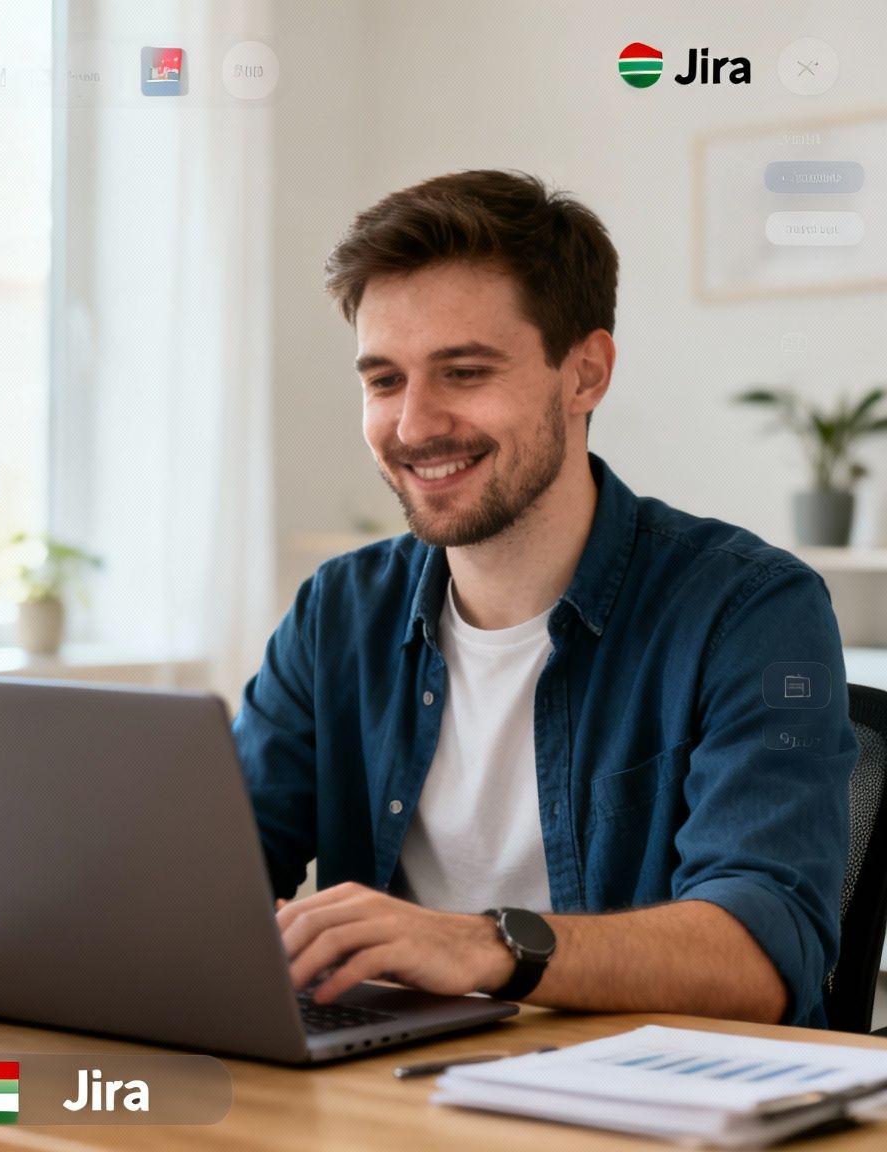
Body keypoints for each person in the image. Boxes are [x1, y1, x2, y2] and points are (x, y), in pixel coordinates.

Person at [236, 169, 856, 1027]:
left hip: (646, 1104)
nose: (413, 425)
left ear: (585, 374)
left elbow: (763, 952)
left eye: (463, 371)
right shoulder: (339, 611)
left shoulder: (752, 609)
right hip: (392, 1089)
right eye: (383, 380)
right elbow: (211, 881)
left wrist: (484, 947)